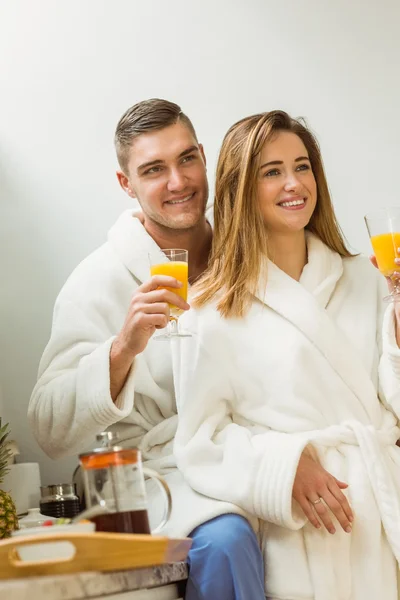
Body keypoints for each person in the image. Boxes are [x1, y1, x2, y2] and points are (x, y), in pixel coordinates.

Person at [28, 99, 265, 600]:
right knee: (225, 542)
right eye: (154, 169)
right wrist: (122, 349)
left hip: (250, 458)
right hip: (163, 478)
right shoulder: (98, 280)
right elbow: (48, 426)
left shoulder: (249, 257)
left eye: (186, 159)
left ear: (204, 156)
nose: (178, 181)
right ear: (126, 184)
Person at [172, 109, 400, 600]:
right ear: (240, 189)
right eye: (271, 171)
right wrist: (284, 463)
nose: (293, 183)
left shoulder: (367, 279)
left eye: (302, 166)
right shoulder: (208, 312)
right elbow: (198, 443)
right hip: (300, 537)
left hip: (382, 518)